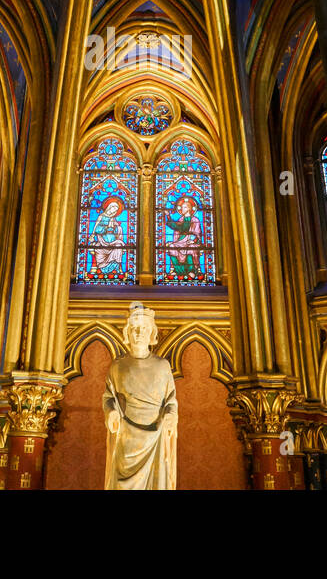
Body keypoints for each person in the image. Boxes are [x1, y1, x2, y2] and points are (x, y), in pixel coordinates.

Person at [103, 302, 177, 489]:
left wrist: (169, 415)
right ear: (127, 332)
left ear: (151, 333)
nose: (139, 333)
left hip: (155, 434)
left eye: (144, 328)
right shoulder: (118, 366)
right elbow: (109, 396)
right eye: (135, 329)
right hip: (127, 438)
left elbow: (171, 400)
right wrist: (111, 411)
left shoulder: (162, 366)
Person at [90, 195, 127, 279]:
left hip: (113, 241)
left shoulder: (113, 219)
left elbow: (117, 229)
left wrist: (115, 228)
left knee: (119, 245)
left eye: (117, 210)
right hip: (102, 240)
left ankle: (116, 269)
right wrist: (106, 228)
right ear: (110, 208)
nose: (115, 211)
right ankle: (103, 268)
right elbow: (96, 229)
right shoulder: (101, 217)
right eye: (114, 209)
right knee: (98, 247)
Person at [164, 195, 201, 278]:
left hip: (190, 241)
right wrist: (168, 216)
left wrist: (193, 241)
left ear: (188, 208)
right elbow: (176, 227)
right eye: (181, 207)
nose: (181, 209)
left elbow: (198, 234)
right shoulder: (181, 219)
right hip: (180, 241)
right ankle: (178, 270)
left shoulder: (195, 220)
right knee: (171, 246)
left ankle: (191, 271)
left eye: (184, 207)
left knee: (190, 248)